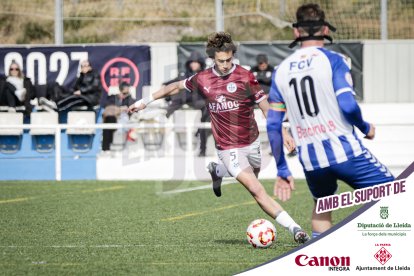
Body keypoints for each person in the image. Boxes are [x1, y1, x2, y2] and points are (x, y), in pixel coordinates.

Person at [129, 32, 309, 244]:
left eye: (228, 60)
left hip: (251, 141)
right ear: (213, 58)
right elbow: (175, 86)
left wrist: (283, 130)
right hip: (227, 146)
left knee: (255, 175)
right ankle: (296, 229)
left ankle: (219, 170)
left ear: (233, 56)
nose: (225, 65)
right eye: (220, 61)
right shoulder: (203, 79)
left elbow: (265, 107)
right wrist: (144, 101)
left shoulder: (245, 77)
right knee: (256, 189)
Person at [266, 3, 394, 239]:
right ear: (325, 29)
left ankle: (321, 262)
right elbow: (347, 105)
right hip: (346, 152)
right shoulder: (335, 60)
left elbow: (273, 125)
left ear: (296, 32)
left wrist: (282, 167)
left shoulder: (281, 71)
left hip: (311, 159)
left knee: (322, 206)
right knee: (396, 196)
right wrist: (366, 128)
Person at [164, 51, 211, 157]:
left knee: (205, 121)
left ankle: (201, 143)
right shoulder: (184, 75)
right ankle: (166, 114)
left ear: (200, 63)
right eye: (192, 62)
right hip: (185, 100)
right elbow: (171, 84)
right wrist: (164, 86)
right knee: (178, 95)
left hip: (201, 102)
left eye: (196, 62)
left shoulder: (205, 75)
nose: (193, 64)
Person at [101, 82, 136, 151]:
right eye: (124, 93)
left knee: (113, 122)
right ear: (120, 91)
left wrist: (125, 108)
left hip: (124, 118)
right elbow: (107, 106)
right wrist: (119, 109)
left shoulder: (130, 99)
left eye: (127, 93)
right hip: (113, 117)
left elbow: (132, 108)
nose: (125, 95)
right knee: (109, 120)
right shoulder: (112, 97)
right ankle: (106, 148)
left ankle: (108, 147)